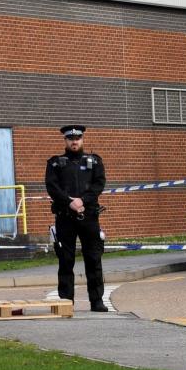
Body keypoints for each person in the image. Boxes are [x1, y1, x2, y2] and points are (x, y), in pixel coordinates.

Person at [45, 124, 108, 312]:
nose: (74, 141)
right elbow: (51, 186)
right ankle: (66, 302)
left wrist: (82, 200)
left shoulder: (94, 161)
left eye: (77, 138)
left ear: (82, 140)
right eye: (71, 139)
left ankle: (97, 301)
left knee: (94, 259)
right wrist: (68, 202)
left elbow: (99, 184)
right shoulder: (55, 163)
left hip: (88, 217)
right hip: (65, 217)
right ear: (65, 141)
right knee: (66, 260)